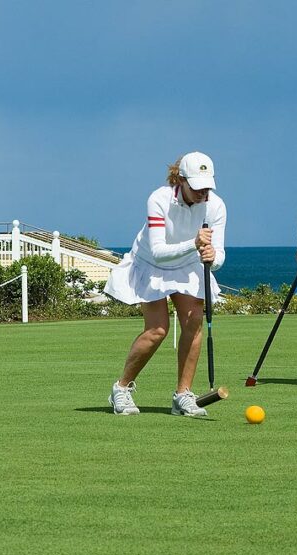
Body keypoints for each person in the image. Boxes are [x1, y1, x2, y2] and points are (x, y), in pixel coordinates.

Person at [105, 151, 227, 416]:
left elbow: (218, 256)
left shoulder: (216, 206)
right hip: (152, 264)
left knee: (193, 323)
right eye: (196, 187)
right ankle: (121, 388)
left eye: (207, 186)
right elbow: (159, 250)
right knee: (157, 330)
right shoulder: (159, 199)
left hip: (187, 264)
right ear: (180, 180)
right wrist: (194, 244)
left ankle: (183, 395)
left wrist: (214, 257)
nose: (202, 193)